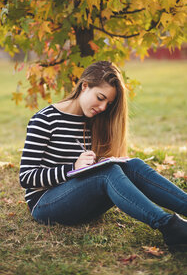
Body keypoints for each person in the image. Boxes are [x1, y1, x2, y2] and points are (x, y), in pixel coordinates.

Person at [20, 61, 187, 250]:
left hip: (80, 201)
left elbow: (88, 175)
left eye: (108, 103)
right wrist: (72, 168)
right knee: (107, 173)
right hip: (45, 204)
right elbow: (26, 178)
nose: (102, 107)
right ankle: (171, 227)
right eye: (100, 98)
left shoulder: (92, 120)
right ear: (84, 86)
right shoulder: (44, 120)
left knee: (133, 165)